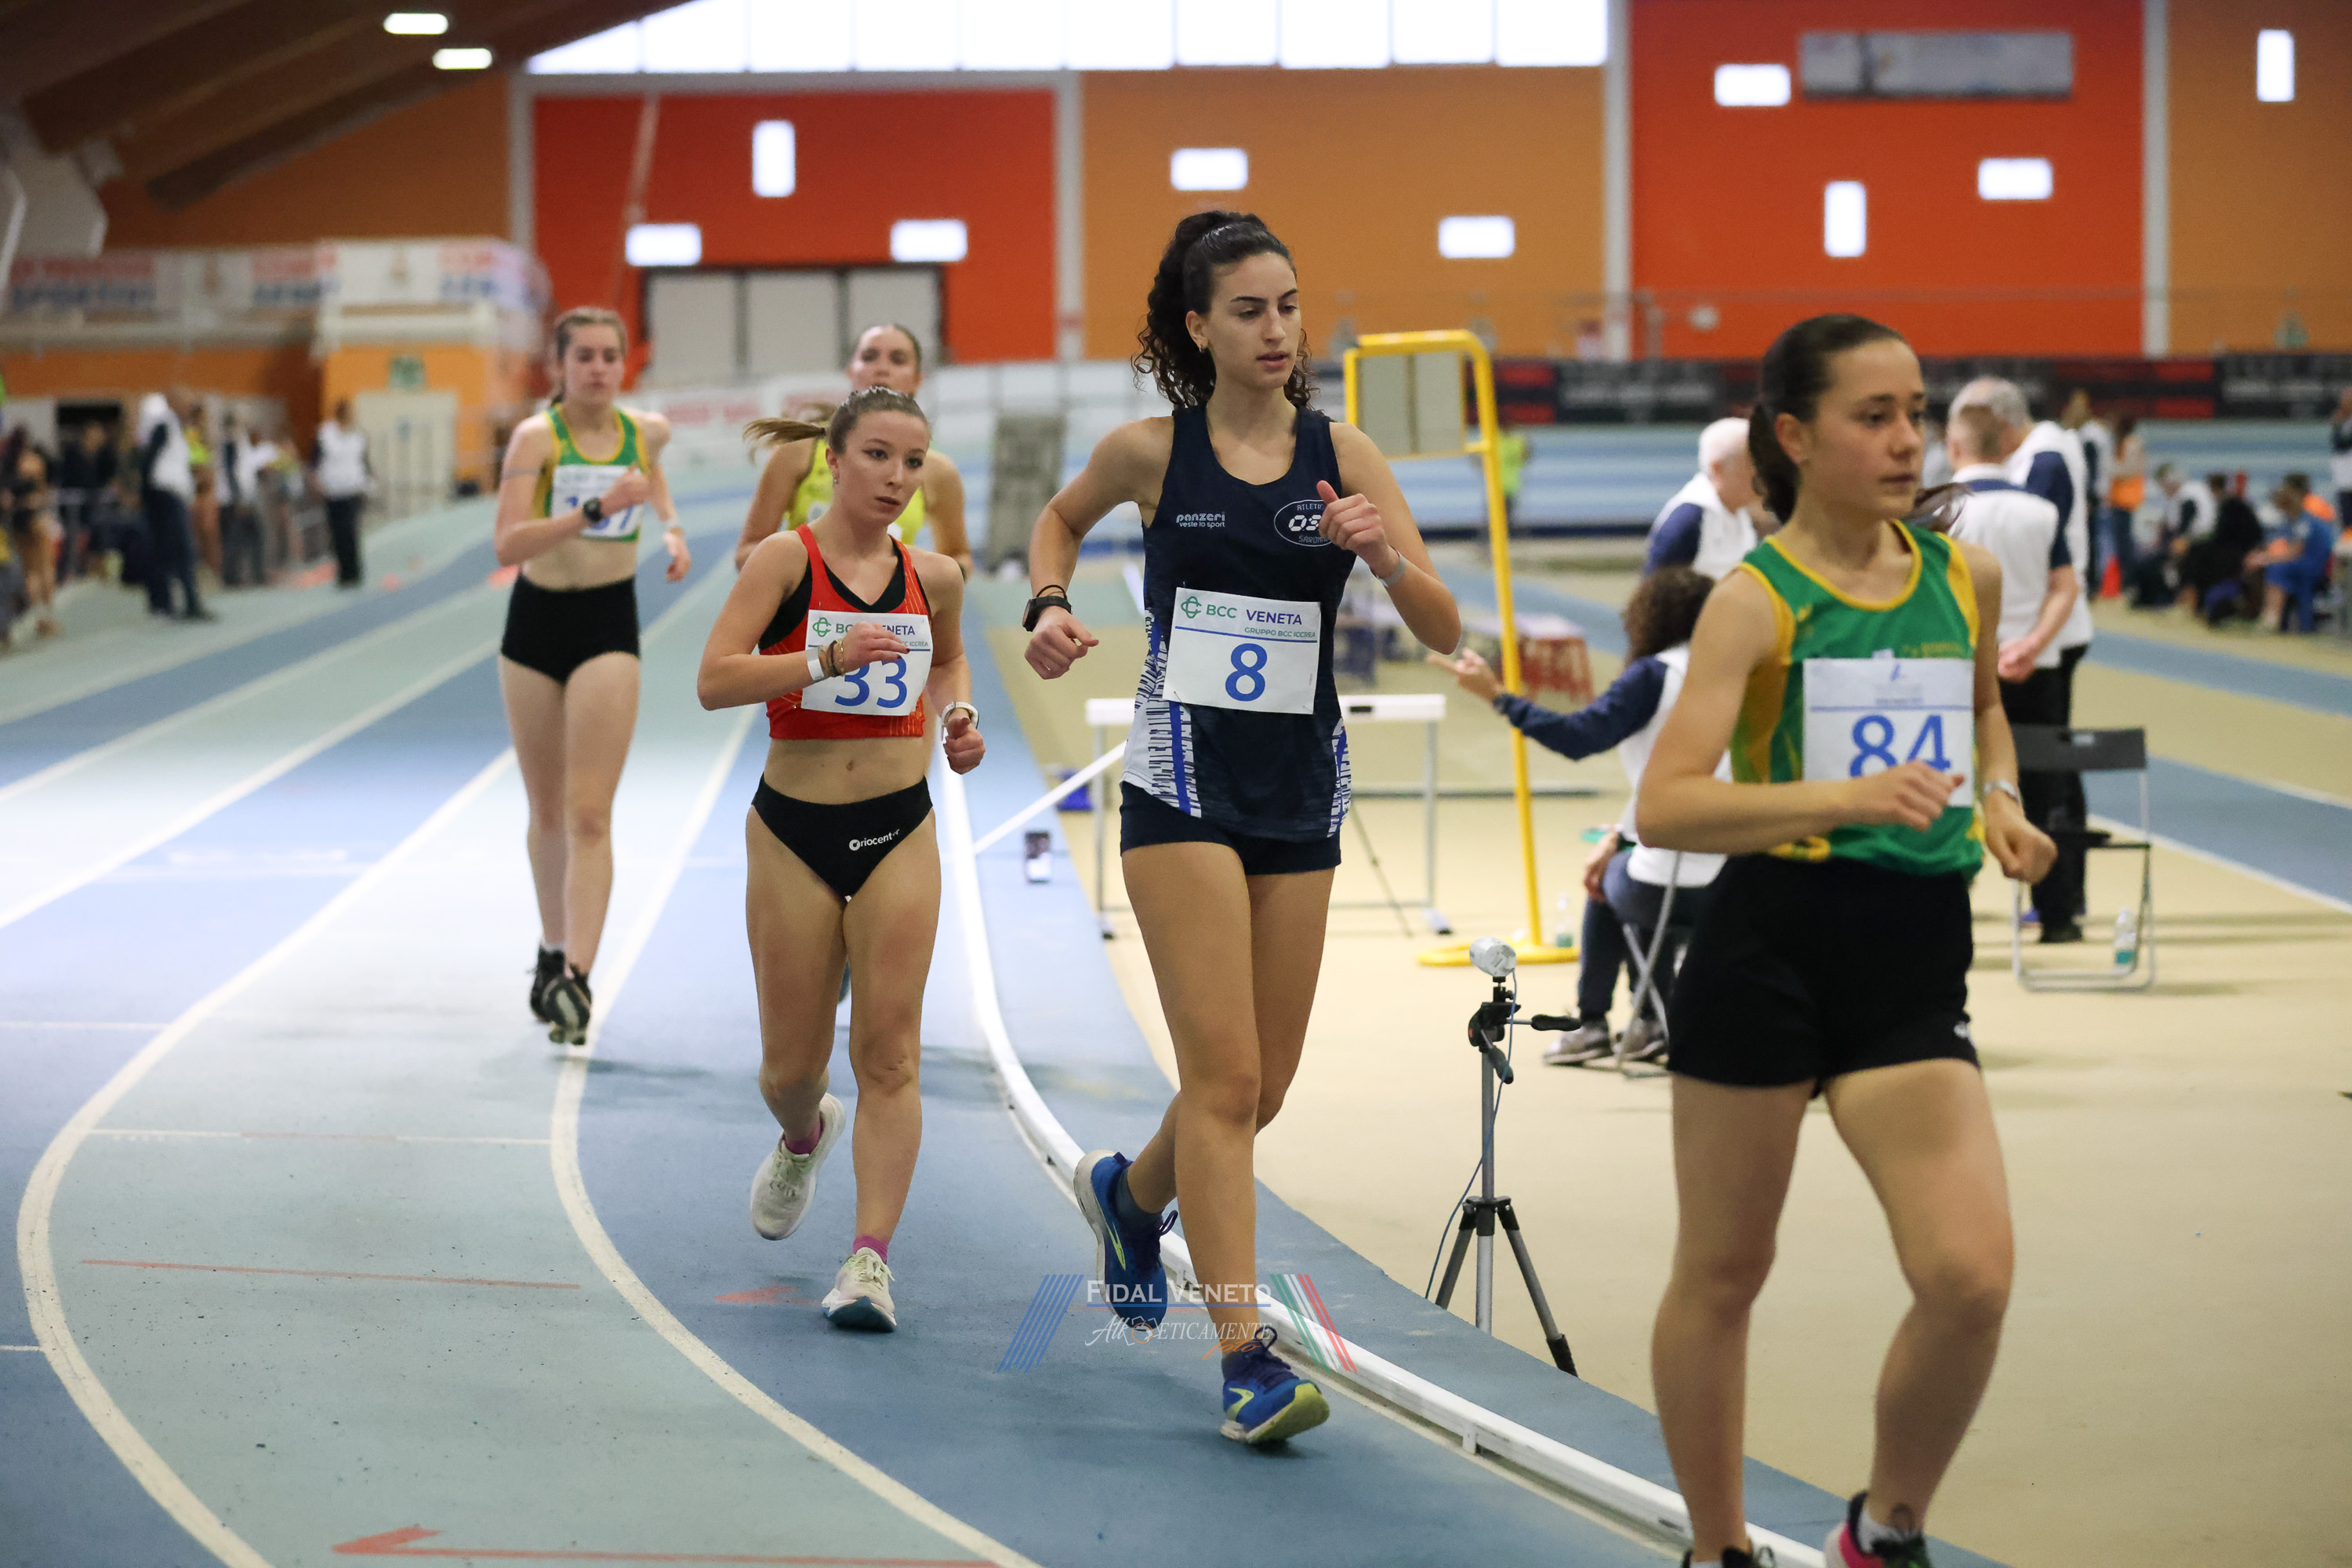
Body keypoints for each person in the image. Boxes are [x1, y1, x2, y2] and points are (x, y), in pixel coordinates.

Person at [1023, 212, 1460, 1445]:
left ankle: (1130, 1197)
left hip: (1299, 789)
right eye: (1251, 311)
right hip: (1182, 783)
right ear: (1199, 328)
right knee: (1222, 1078)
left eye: (1290, 306)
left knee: (1261, 1089)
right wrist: (1050, 604)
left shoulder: (1346, 455)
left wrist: (1383, 560)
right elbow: (1058, 521)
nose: (1278, 330)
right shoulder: (1150, 453)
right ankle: (1242, 1357)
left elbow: (1442, 626)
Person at [1635, 314, 2056, 1568]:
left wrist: (2001, 799)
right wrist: (1844, 797)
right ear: (1796, 436)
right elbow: (1668, 804)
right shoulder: (1755, 605)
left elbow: (1982, 709)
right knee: (1725, 1272)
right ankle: (1717, 1547)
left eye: (1916, 413)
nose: (1906, 440)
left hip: (1912, 957)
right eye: (1873, 417)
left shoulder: (1962, 577)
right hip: (1769, 948)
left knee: (1970, 1276)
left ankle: (1884, 1529)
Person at [696, 386, 984, 1334]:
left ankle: (869, 1260)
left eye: (913, 462)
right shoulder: (786, 560)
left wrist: (958, 714)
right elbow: (714, 678)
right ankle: (804, 1131)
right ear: (835, 458)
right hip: (794, 830)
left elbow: (947, 661)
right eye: (878, 456)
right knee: (790, 1067)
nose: (898, 478)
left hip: (900, 824)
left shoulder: (935, 576)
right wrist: (825, 660)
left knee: (891, 1053)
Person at [492, 306, 691, 1044]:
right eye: (585, 357)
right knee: (546, 811)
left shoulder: (649, 430)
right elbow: (507, 542)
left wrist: (670, 525)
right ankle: (551, 951)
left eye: (611, 355)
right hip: (535, 624)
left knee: (590, 815)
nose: (600, 368)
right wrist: (594, 510)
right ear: (559, 367)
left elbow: (651, 474)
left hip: (608, 622)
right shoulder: (536, 438)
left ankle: (577, 975)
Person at [1432, 566, 1722, 1065]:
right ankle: (1651, 1019)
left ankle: (1592, 1023)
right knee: (1628, 864)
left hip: (1672, 883)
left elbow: (1578, 738)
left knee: (1607, 881)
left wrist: (1497, 696)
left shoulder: (1655, 677)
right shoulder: (1742, 676)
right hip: (1740, 881)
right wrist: (1621, 833)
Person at [1953, 377, 2092, 938]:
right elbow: (2066, 585)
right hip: (2036, 666)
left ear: (1955, 447)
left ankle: (1948, 904)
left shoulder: (1939, 512)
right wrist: (2032, 643)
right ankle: (2058, 916)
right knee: (2044, 790)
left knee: (1949, 785)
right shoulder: (2039, 512)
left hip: (1962, 667)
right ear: (2006, 445)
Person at [733, 325, 971, 576]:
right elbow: (748, 552)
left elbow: (958, 558)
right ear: (850, 372)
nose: (882, 368)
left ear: (918, 379)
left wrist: (910, 576)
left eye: (898, 360)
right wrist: (816, 572)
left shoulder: (937, 471)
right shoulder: (798, 452)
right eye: (869, 357)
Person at [1646, 418, 1759, 579]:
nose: (1758, 471)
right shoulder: (1688, 519)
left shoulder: (1740, 511)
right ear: (1717, 468)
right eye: (1750, 463)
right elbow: (1656, 587)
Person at [136, 391, 210, 621]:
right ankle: (173, 603)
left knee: (171, 551)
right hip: (164, 497)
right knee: (177, 549)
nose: (188, 408)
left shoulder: (179, 431)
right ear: (174, 404)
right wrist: (146, 496)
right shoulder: (164, 427)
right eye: (185, 404)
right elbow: (149, 461)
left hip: (173, 496)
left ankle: (173, 602)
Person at [2256, 474, 2338, 633]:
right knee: (2272, 569)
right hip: (2301, 564)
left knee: (2278, 569)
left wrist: (2268, 559)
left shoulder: (2306, 519)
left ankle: (2272, 617)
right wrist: (2264, 556)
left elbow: (2295, 551)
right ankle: (2270, 614)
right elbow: (2281, 545)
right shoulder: (2290, 520)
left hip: (2315, 567)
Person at [5, 427, 63, 641]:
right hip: (34, 520)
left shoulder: (8, 465)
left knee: (29, 572)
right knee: (45, 568)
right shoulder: (33, 463)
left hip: (17, 523)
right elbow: (43, 493)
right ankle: (45, 617)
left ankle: (37, 616)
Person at [314, 399, 372, 589]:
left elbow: (363, 462)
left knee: (351, 532)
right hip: (332, 491)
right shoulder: (325, 434)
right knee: (337, 534)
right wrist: (317, 483)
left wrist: (367, 484)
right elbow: (316, 460)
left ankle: (354, 572)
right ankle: (343, 574)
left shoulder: (358, 436)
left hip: (352, 490)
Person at [2100, 412, 2146, 598]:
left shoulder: (2132, 444)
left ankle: (2131, 582)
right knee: (2120, 545)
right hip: (2118, 499)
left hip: (2126, 499)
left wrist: (2108, 467)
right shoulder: (2122, 443)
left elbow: (2131, 469)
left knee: (2125, 545)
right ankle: (2126, 581)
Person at [2330, 389, 2352, 535]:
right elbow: (2336, 443)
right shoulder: (2345, 421)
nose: (2342, 402)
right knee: (2346, 522)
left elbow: (2343, 444)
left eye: (2346, 399)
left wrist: (2338, 423)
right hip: (2344, 479)